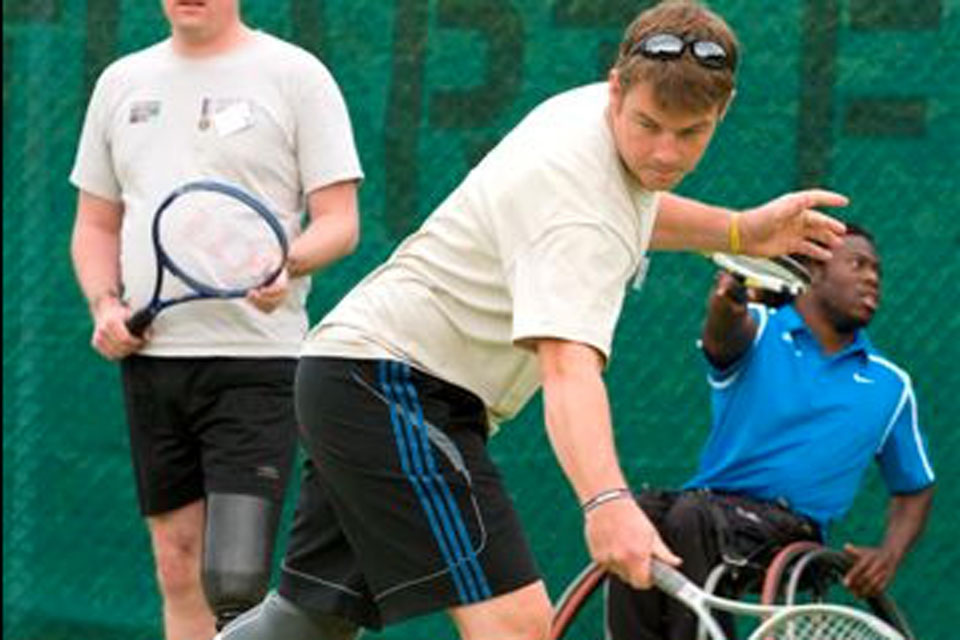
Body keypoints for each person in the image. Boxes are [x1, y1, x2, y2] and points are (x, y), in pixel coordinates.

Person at [217, 2, 848, 639]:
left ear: (724, 108)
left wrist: (740, 230)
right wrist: (606, 502)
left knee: (307, 624)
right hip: (393, 389)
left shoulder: (592, 123)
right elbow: (569, 367)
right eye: (650, 125)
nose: (664, 152)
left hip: (357, 375)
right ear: (616, 87)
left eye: (690, 133)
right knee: (517, 627)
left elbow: (634, 206)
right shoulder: (576, 209)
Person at [69, 1, 363, 638]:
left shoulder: (295, 75)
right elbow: (95, 224)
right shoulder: (121, 82)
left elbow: (340, 221)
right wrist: (104, 305)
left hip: (258, 362)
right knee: (176, 564)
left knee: (236, 578)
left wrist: (287, 261)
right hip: (153, 362)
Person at [605, 223, 936, 640]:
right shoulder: (760, 326)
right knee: (634, 517)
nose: (872, 277)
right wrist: (727, 298)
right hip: (710, 506)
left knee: (691, 518)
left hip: (790, 527)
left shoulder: (891, 385)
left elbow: (914, 488)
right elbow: (724, 332)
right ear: (812, 272)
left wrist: (889, 554)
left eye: (877, 271)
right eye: (858, 264)